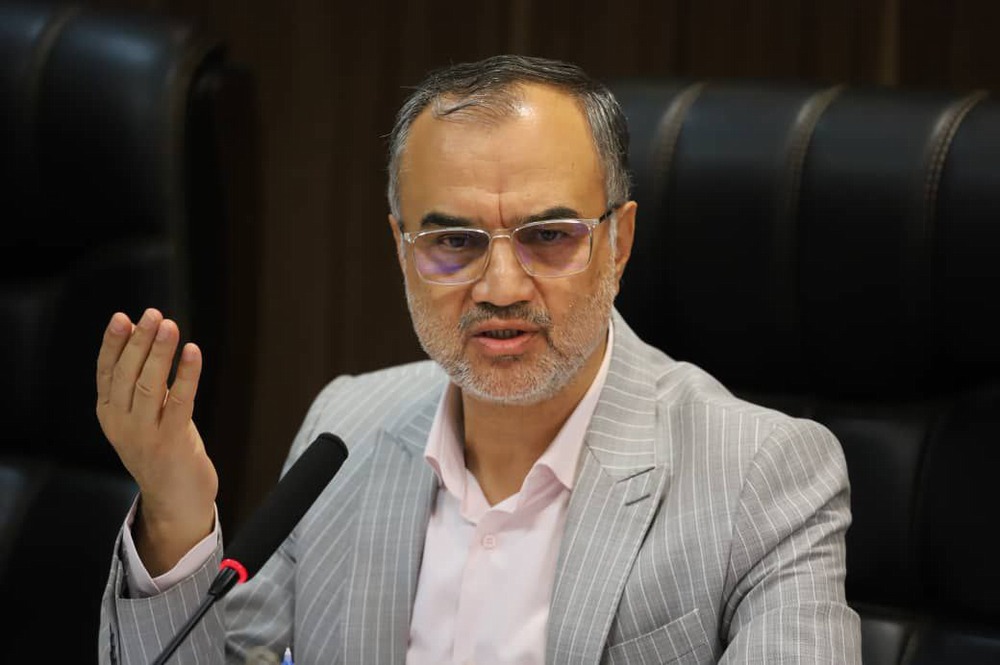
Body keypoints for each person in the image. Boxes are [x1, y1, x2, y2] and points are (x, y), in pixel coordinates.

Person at [97, 55, 861, 664]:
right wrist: (176, 515)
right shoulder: (346, 427)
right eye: (454, 242)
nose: (500, 287)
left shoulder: (763, 474)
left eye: (549, 236)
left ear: (618, 242)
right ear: (403, 250)